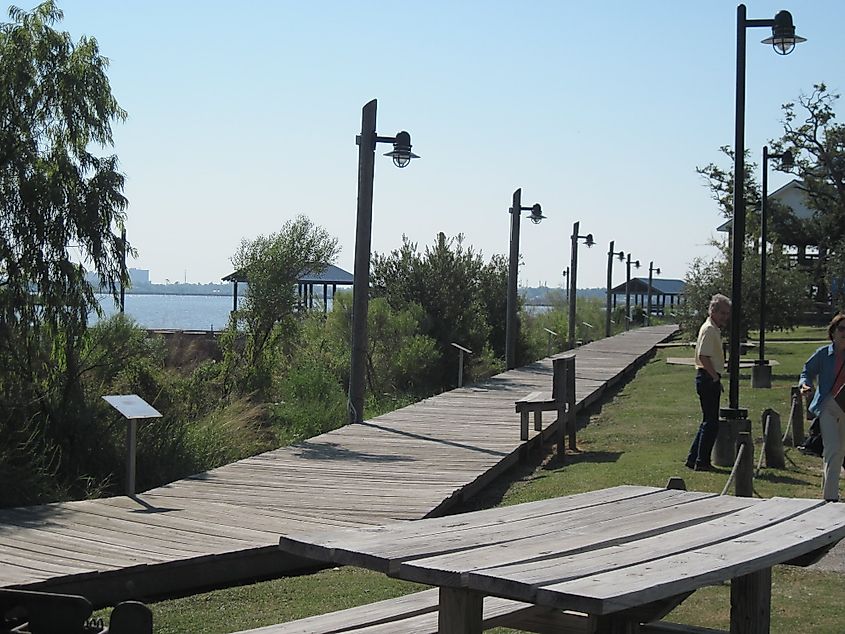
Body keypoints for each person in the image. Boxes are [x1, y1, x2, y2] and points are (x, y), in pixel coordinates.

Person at [799, 312, 845, 502]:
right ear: (833, 332)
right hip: (827, 405)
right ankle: (831, 498)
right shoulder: (823, 354)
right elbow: (806, 371)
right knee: (833, 448)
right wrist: (804, 384)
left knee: (839, 451)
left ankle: (828, 489)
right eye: (842, 329)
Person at [685, 294, 731, 471]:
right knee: (711, 423)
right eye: (722, 313)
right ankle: (702, 462)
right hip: (707, 377)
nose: (725, 317)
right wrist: (714, 376)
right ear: (713, 311)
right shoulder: (710, 329)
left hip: (708, 376)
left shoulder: (713, 328)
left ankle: (693, 458)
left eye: (727, 313)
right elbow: (703, 355)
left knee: (708, 421)